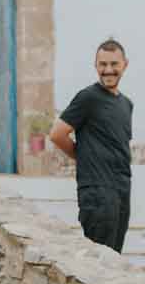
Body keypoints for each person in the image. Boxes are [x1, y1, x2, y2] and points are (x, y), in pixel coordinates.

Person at [50, 38, 133, 253]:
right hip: (97, 191)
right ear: (95, 66)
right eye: (102, 64)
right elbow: (57, 134)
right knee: (101, 261)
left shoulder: (126, 104)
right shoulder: (88, 97)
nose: (108, 70)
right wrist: (84, 157)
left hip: (121, 189)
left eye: (114, 64)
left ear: (125, 65)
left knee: (115, 258)